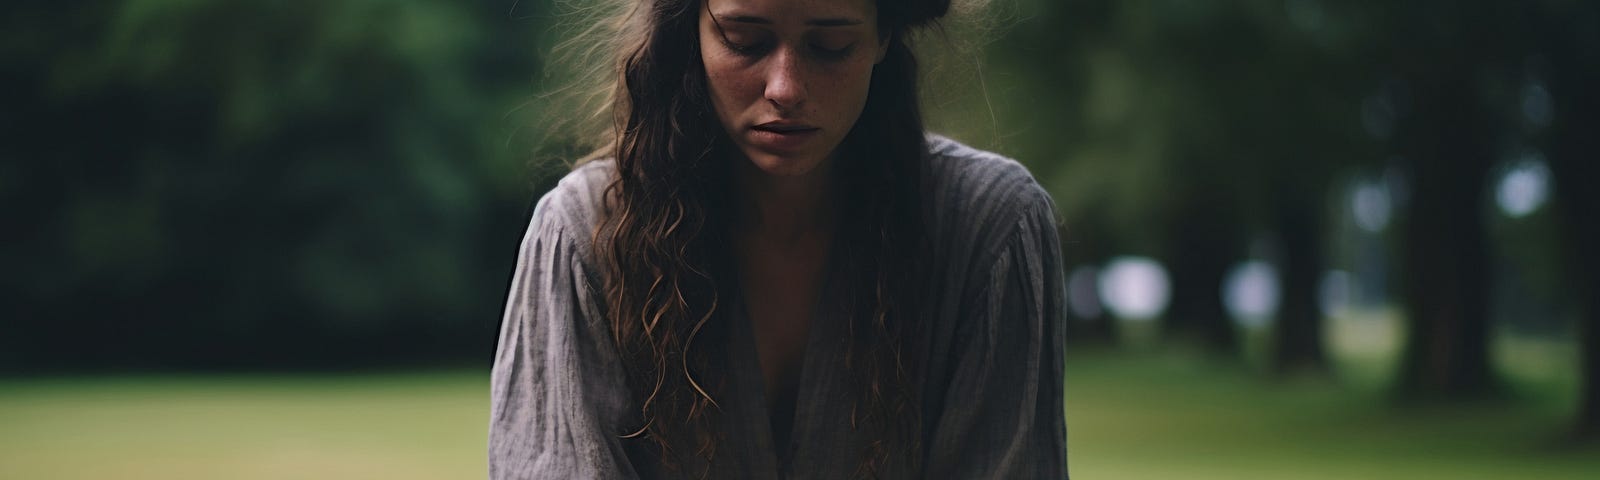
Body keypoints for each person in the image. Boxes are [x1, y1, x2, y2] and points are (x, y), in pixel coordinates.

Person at [489, 0, 1068, 478]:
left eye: (830, 46)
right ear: (690, 31)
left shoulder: (989, 230)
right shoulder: (585, 234)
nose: (785, 87)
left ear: (885, 35)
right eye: (745, 40)